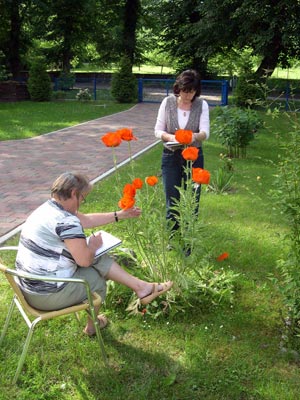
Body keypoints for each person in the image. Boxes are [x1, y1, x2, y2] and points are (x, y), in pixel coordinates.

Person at [15, 172, 173, 335]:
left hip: (27, 285)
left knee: (98, 258)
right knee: (97, 281)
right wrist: (93, 246)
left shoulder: (46, 209)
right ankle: (92, 327)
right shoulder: (66, 221)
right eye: (83, 198)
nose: (82, 203)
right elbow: (84, 261)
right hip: (45, 295)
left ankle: (142, 288)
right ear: (73, 193)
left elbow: (86, 220)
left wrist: (120, 215)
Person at [154, 69, 210, 231]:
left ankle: (188, 237)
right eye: (184, 91)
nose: (187, 95)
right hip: (171, 156)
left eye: (191, 92)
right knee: (172, 198)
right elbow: (158, 131)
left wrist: (191, 137)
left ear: (196, 91)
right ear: (178, 88)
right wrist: (173, 138)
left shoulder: (202, 105)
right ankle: (173, 236)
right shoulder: (168, 103)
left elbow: (205, 133)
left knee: (192, 197)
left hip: (194, 157)